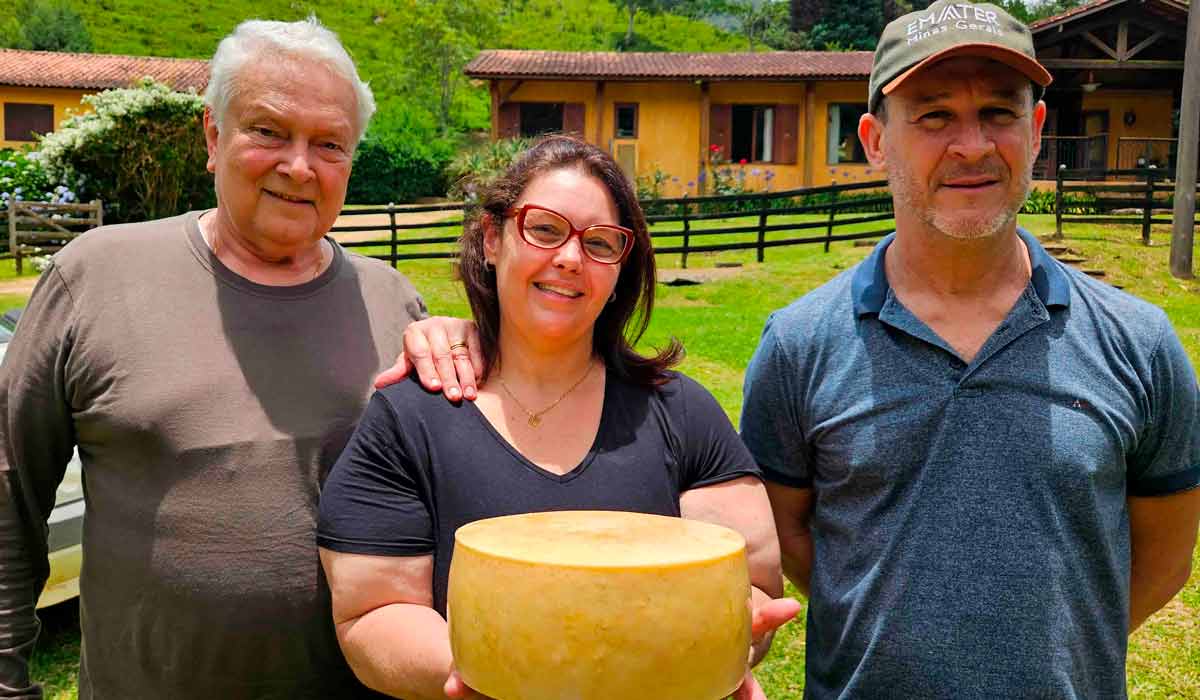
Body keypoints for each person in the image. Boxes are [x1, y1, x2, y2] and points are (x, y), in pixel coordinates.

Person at [0, 18, 475, 699]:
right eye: (270, 132)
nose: (299, 166)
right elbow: (8, 494)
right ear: (213, 136)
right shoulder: (95, 277)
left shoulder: (393, 303)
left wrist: (473, 347)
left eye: (329, 145)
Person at [740, 1, 1200, 697]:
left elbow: (1164, 556)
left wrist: (1054, 639)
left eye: (998, 112)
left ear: (1037, 128)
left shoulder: (1139, 342)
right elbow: (795, 542)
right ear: (874, 140)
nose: (973, 145)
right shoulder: (800, 345)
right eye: (933, 116)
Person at [316, 135, 800, 700]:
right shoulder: (408, 418)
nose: (570, 257)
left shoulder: (682, 412)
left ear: (622, 267)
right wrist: (488, 671)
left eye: (600, 243)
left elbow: (754, 585)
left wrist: (727, 640)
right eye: (544, 230)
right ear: (493, 239)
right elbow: (374, 612)